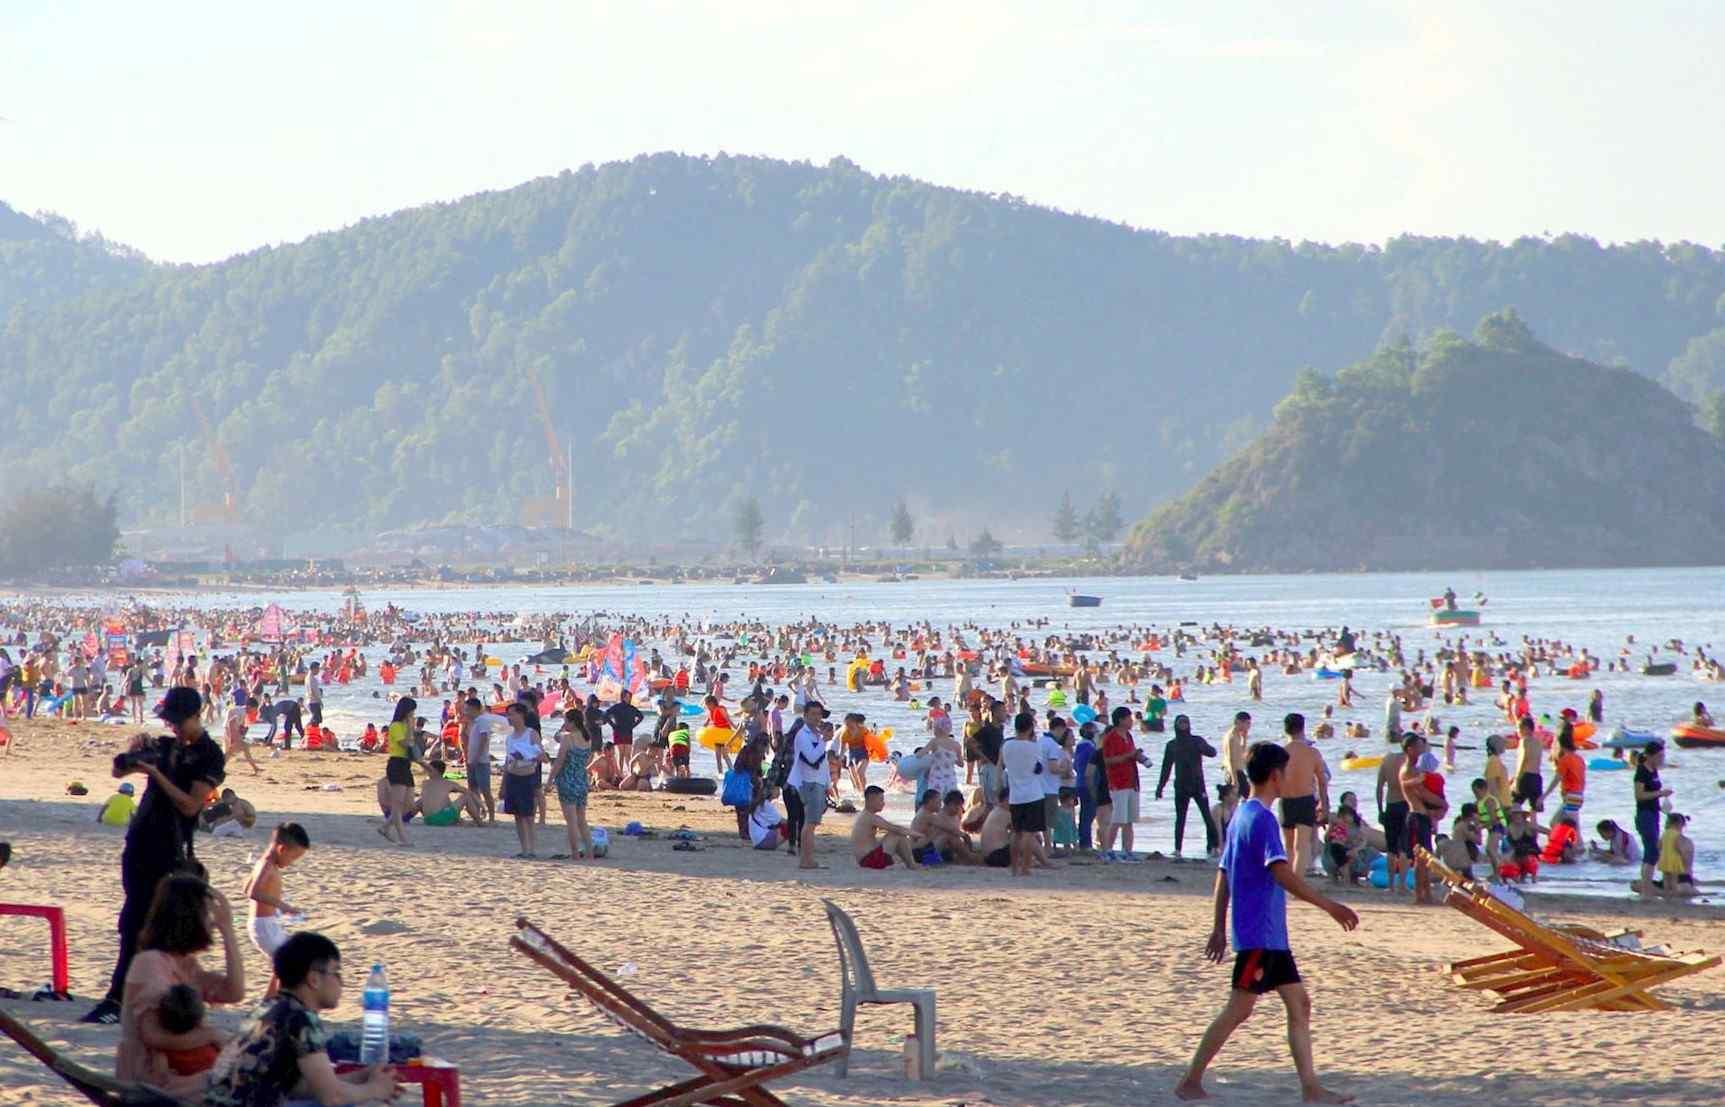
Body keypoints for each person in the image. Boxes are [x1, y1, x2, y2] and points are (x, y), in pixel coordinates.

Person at [1174, 741, 1358, 1104]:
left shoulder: (1243, 814)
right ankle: (1190, 1080)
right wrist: (1328, 905)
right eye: (1286, 772)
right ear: (1276, 775)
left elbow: (1224, 875)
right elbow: (1281, 873)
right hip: (1260, 933)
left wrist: (1217, 926)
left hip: (1269, 935)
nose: (1289, 778)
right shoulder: (1261, 819)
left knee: (1299, 1003)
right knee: (1239, 1009)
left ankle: (1311, 1088)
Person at [84, 687, 226, 1025]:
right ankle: (123, 997)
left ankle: (129, 997)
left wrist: (157, 774)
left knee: (158, 924)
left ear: (196, 715)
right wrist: (132, 760)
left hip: (171, 848)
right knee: (132, 920)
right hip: (140, 842)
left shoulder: (210, 755)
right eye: (170, 722)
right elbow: (118, 772)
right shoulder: (165, 746)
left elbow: (191, 804)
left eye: (178, 722)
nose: (174, 728)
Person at [204, 931, 399, 1107]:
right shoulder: (301, 1019)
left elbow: (297, 1087)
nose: (342, 982)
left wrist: (362, 1077)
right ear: (314, 979)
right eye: (336, 973)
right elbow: (333, 1097)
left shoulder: (268, 1008)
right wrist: (376, 1090)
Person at [114, 875, 246, 1102]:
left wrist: (228, 932)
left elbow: (234, 992)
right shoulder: (150, 962)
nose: (212, 921)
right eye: (207, 914)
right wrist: (211, 1035)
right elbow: (154, 1036)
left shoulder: (185, 964)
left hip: (181, 1071)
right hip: (156, 1080)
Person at [244, 823, 310, 995]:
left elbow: (246, 888)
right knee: (289, 962)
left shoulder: (263, 863)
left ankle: (270, 1001)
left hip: (264, 925)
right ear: (281, 849)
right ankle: (274, 1002)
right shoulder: (266, 865)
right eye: (293, 857)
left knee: (285, 963)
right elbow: (253, 892)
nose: (292, 863)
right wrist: (282, 905)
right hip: (264, 927)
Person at [1156, 714, 1219, 858]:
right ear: (1176, 725)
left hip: (1198, 785)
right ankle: (1178, 849)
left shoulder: (1197, 740)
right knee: (1180, 818)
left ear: (1189, 724)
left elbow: (1213, 753)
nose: (1183, 724)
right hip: (1181, 786)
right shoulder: (1172, 745)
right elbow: (1166, 767)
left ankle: (1214, 846)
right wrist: (1160, 787)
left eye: (1186, 722)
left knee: (1207, 816)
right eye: (1180, 722)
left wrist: (1203, 747)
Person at [1278, 713, 1329, 877]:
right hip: (1306, 800)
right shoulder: (1312, 752)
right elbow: (1322, 781)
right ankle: (1297, 884)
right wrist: (1324, 803)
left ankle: (1288, 884)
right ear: (1303, 728)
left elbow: (1274, 780)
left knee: (1289, 846)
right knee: (1302, 846)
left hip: (1286, 800)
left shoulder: (1280, 753)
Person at [1001, 712, 1047, 877]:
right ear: (1030, 727)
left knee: (1016, 832)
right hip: (1033, 794)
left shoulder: (1007, 746)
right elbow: (1039, 768)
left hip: (1015, 795)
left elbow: (1003, 766)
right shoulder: (1034, 747)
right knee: (1029, 834)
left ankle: (1014, 867)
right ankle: (1025, 867)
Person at [785, 701, 830, 870]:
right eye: (813, 714)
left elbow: (824, 763)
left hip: (816, 782)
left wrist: (828, 784)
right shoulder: (803, 735)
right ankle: (806, 860)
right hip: (809, 782)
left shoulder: (815, 735)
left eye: (819, 714)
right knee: (810, 823)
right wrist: (824, 741)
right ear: (805, 715)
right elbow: (811, 758)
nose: (817, 717)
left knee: (811, 823)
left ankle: (808, 859)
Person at [1100, 706, 1147, 862]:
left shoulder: (1128, 735)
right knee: (1118, 819)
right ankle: (1108, 850)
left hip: (1132, 781)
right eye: (1128, 718)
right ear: (1121, 720)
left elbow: (1130, 754)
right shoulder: (1111, 737)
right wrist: (1128, 755)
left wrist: (1137, 756)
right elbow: (1107, 760)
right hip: (1117, 782)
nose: (1131, 721)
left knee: (1129, 820)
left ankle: (1128, 851)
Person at [547, 713, 595, 860]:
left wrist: (549, 780)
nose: (565, 724)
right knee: (582, 820)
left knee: (571, 821)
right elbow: (587, 759)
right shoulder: (587, 738)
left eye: (566, 721)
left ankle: (575, 854)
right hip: (581, 780)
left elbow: (559, 762)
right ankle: (589, 853)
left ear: (573, 722)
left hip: (567, 780)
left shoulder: (568, 738)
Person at [501, 702, 545, 859]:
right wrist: (503, 785)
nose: (509, 717)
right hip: (513, 776)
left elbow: (542, 757)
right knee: (517, 815)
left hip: (527, 777)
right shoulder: (510, 737)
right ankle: (524, 849)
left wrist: (526, 755)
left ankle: (531, 849)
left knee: (528, 815)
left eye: (512, 714)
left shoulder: (531, 733)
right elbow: (507, 762)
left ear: (521, 715)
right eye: (508, 714)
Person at [378, 697, 420, 846]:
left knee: (409, 804)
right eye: (411, 712)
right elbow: (405, 744)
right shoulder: (395, 726)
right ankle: (403, 838)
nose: (413, 714)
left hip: (405, 764)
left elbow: (412, 743)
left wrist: (410, 728)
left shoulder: (405, 726)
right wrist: (409, 728)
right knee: (397, 803)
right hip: (396, 763)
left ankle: (385, 826)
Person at [849, 784, 923, 870]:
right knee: (896, 834)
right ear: (872, 800)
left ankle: (911, 863)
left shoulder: (864, 815)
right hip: (869, 861)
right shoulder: (870, 817)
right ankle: (911, 864)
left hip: (867, 859)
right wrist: (918, 834)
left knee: (898, 836)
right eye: (881, 800)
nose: (883, 803)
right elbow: (896, 828)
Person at [1633, 741, 1672, 896]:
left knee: (1654, 850)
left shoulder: (1654, 770)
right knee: (1652, 851)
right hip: (1644, 815)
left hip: (1653, 813)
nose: (1662, 759)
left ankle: (1646, 885)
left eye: (1663, 755)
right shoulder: (1642, 771)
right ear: (1650, 756)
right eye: (1659, 756)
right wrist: (1660, 794)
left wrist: (1662, 804)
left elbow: (1652, 794)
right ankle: (1646, 886)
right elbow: (1639, 795)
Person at [461, 696, 507, 825]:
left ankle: (491, 817)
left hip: (481, 761)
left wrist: (476, 758)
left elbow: (483, 739)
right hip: (472, 760)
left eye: (467, 709)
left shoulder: (482, 721)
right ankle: (478, 814)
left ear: (474, 709)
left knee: (485, 790)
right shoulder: (474, 722)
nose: (465, 712)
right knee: (473, 789)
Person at [419, 759, 485, 827]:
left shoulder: (424, 783)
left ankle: (406, 818)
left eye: (429, 769)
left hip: (428, 820)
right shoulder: (448, 784)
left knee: (423, 800)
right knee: (466, 797)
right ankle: (479, 822)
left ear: (436, 771)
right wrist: (481, 805)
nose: (427, 771)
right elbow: (469, 793)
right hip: (441, 819)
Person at [1656, 812, 1696, 897]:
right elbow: (1677, 846)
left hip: (1665, 860)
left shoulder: (1664, 834)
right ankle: (1673, 893)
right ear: (1680, 824)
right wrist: (1681, 854)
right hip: (1674, 860)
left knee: (1666, 878)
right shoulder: (1676, 835)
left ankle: (1666, 892)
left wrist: (1662, 853)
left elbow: (1658, 846)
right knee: (1674, 878)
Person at [978, 786, 1013, 868]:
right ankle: (1044, 861)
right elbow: (1024, 831)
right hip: (997, 855)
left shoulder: (995, 811)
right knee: (1027, 838)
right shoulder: (1006, 813)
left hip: (989, 857)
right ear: (1006, 800)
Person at [1219, 711, 1252, 798]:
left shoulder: (1237, 735)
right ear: (1239, 722)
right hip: (1234, 773)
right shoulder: (1232, 737)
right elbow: (1231, 758)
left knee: (1237, 800)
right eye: (1247, 723)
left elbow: (1241, 753)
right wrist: (1234, 779)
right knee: (1250, 798)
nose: (1249, 726)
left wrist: (1244, 739)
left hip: (1237, 772)